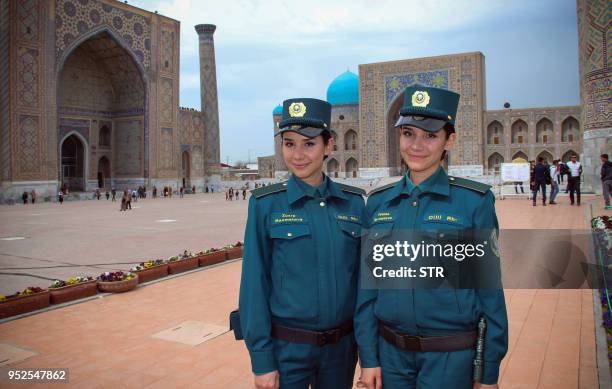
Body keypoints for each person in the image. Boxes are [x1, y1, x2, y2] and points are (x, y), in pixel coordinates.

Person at [356, 85, 508, 389]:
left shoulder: (472, 202)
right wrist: (369, 356)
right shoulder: (379, 203)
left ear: (449, 140)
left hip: (449, 358)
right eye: (408, 133)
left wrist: (488, 370)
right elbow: (367, 289)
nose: (417, 145)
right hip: (391, 358)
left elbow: (489, 292)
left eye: (430, 135)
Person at [239, 98, 365, 389]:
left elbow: (364, 284)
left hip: (341, 351)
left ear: (328, 146)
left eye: (309, 144)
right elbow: (254, 286)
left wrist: (368, 352)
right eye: (289, 143)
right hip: (287, 351)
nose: (297, 154)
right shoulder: (266, 205)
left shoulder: (354, 204)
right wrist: (262, 360)